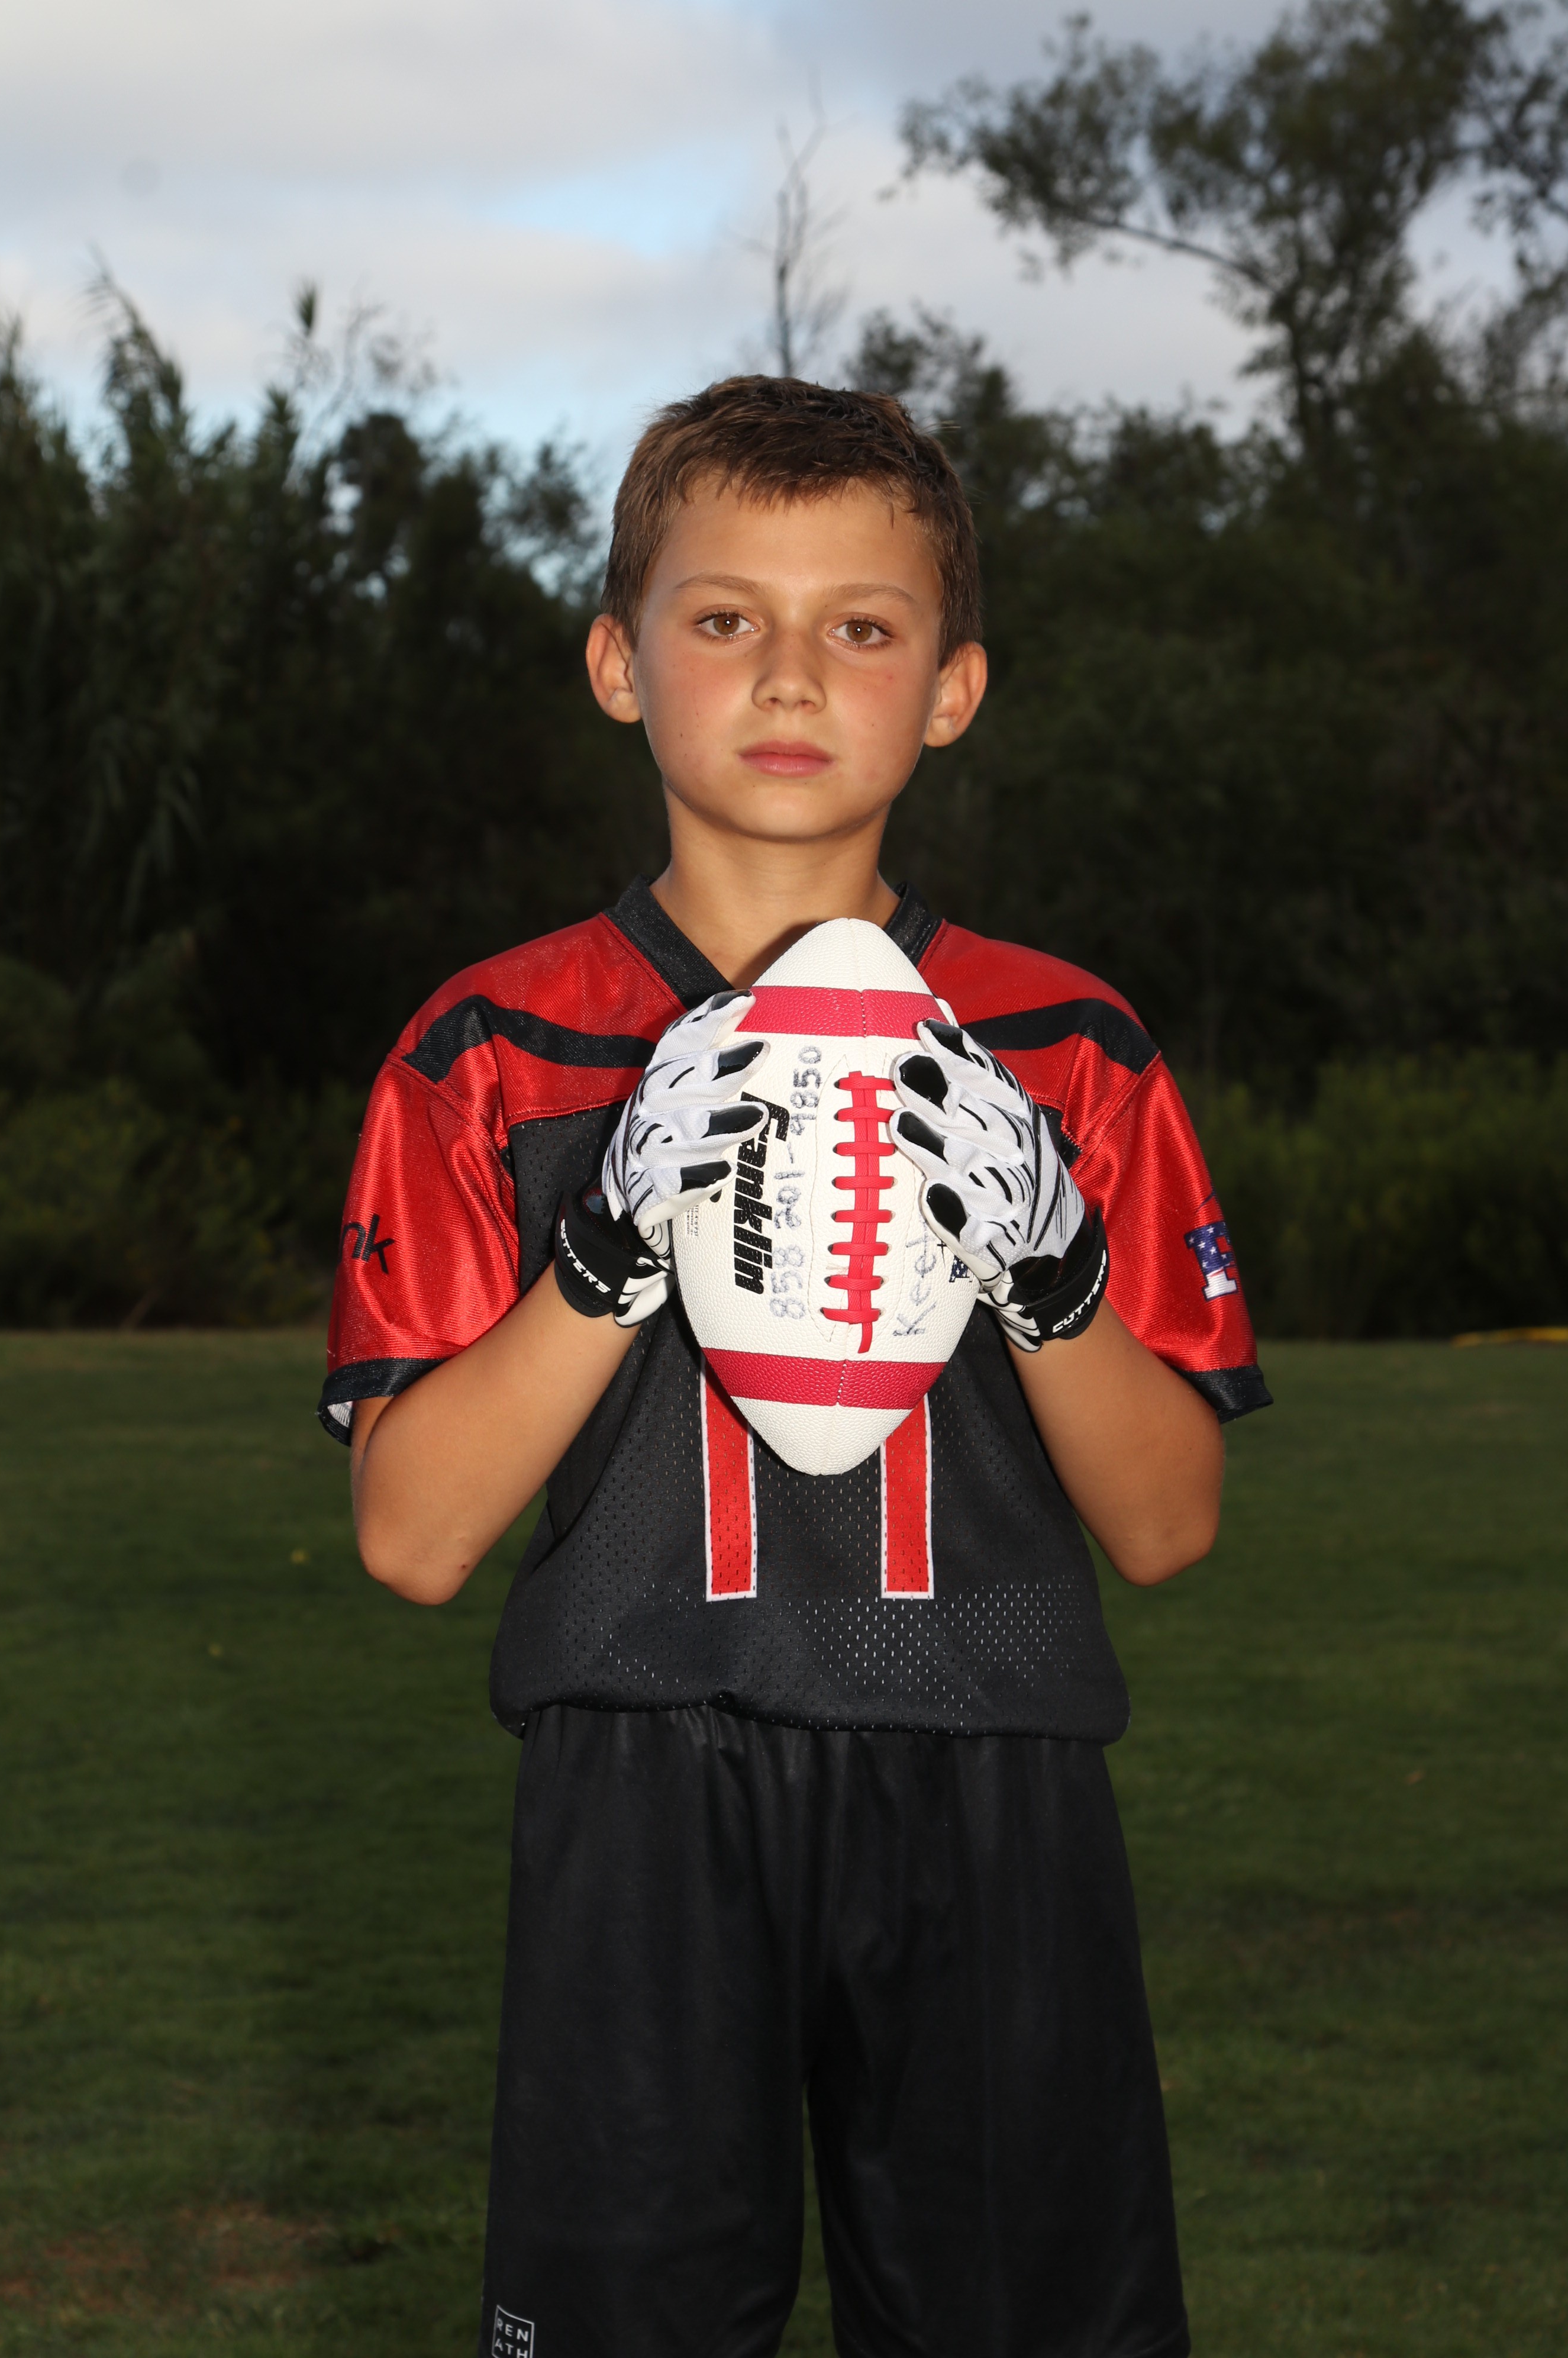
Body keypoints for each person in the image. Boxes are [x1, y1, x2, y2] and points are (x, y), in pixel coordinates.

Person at [320, 375, 1270, 2358]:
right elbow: (412, 1539)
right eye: (723, 616)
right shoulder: (494, 1045)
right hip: (642, 1781)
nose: (789, 674)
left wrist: (1054, 1274)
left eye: (862, 625)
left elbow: (1170, 1525)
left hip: (994, 1769)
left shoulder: (1066, 1046)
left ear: (953, 689)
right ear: (618, 661)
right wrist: (600, 1258)